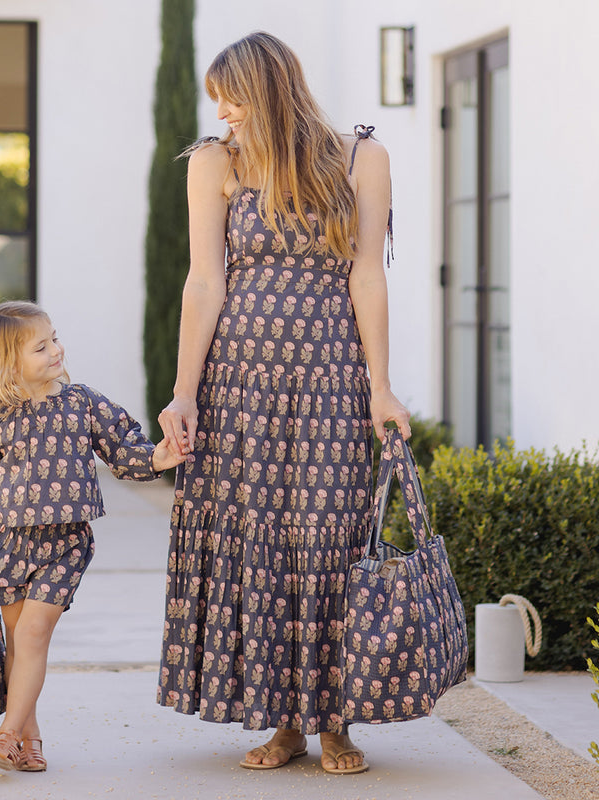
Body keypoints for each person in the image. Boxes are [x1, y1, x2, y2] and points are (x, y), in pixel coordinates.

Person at [156, 32, 411, 774]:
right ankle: (280, 723)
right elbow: (204, 281)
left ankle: (334, 722)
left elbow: (367, 276)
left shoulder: (362, 158)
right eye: (217, 104)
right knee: (255, 542)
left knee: (330, 535)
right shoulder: (216, 162)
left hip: (331, 376)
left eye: (233, 99)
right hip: (238, 384)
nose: (224, 114)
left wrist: (380, 385)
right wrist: (183, 391)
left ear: (268, 92)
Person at [0, 300, 186, 772]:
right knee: (17, 643)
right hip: (9, 544)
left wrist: (158, 458)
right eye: (41, 346)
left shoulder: (82, 402)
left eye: (54, 338)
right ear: (9, 364)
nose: (56, 349)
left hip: (66, 544)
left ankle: (7, 733)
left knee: (35, 633)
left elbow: (123, 445)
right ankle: (29, 738)